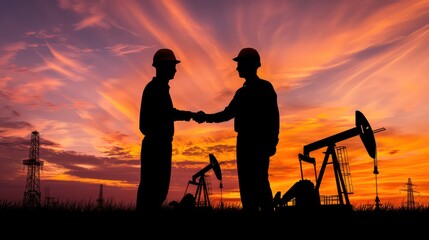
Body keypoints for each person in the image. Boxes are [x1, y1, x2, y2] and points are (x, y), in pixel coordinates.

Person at [194, 47, 280, 214]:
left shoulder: (261, 89)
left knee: (258, 185)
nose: (237, 68)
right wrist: (206, 117)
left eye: (240, 64)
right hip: (249, 144)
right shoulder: (245, 92)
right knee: (251, 187)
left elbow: (273, 118)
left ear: (250, 65)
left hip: (253, 144)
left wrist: (272, 142)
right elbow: (227, 114)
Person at [137, 48, 198, 212]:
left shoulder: (159, 89)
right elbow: (166, 113)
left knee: (157, 189)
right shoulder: (156, 89)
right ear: (162, 67)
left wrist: (188, 115)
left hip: (159, 144)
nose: (175, 69)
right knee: (153, 189)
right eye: (172, 65)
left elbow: (166, 113)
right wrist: (189, 115)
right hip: (156, 145)